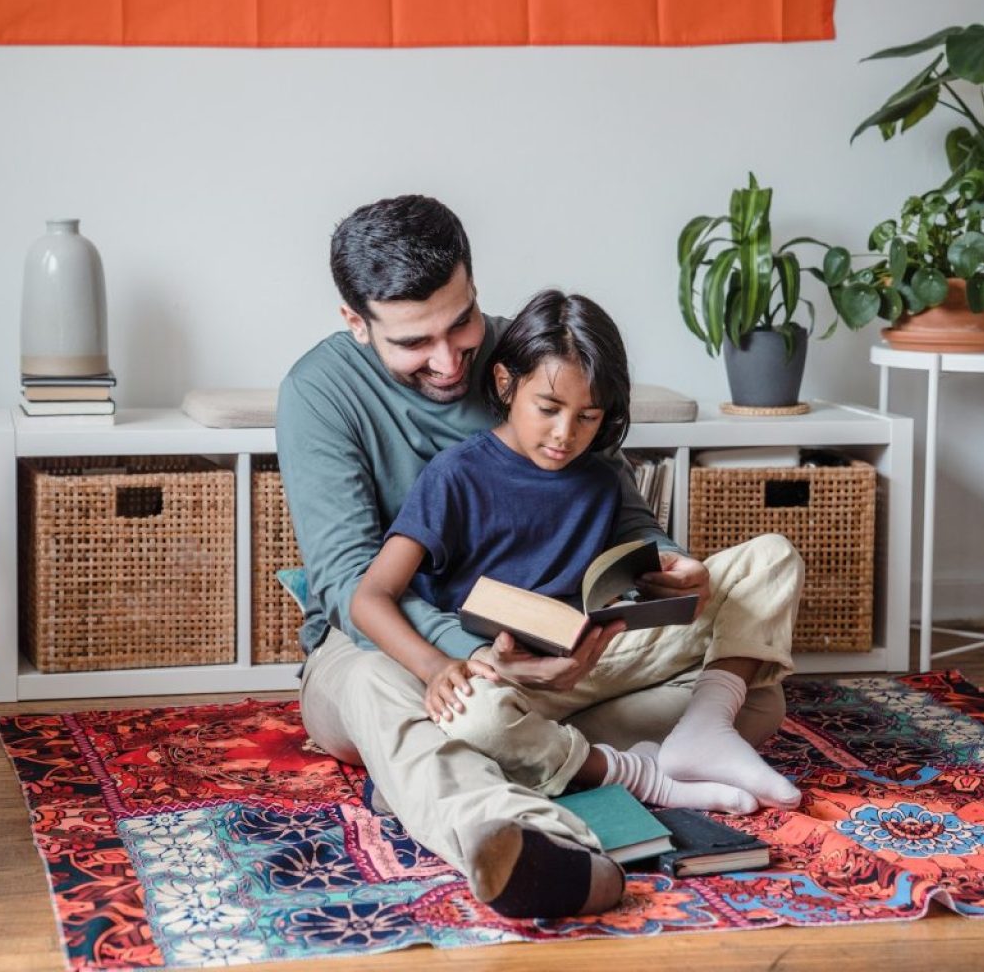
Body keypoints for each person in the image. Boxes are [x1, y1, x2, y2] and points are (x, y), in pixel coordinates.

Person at [277, 194, 804, 920]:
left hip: (561, 647)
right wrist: (476, 659)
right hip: (391, 647)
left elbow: (615, 501)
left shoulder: (526, 352)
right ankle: (541, 844)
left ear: (473, 284)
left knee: (759, 693)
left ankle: (494, 763)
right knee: (381, 692)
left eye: (461, 323)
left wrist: (668, 565)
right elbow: (349, 586)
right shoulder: (319, 392)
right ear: (356, 324)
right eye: (413, 343)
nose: (449, 359)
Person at [351, 288, 793, 818]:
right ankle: (638, 773)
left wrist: (677, 572)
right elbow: (370, 596)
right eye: (549, 408)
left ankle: (706, 727)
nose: (566, 434)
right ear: (505, 383)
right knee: (475, 721)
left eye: (588, 416)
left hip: (600, 655)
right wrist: (437, 665)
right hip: (510, 676)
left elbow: (647, 550)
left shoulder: (602, 474)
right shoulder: (455, 476)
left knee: (773, 556)